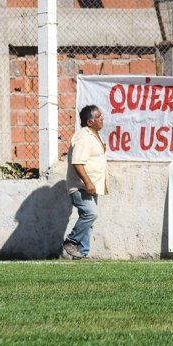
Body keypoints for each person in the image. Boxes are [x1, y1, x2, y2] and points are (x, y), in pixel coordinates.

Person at [62, 105, 108, 259]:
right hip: (81, 186)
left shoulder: (95, 135)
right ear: (90, 122)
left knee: (88, 219)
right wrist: (88, 183)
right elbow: (77, 162)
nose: (102, 118)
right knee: (90, 214)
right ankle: (71, 241)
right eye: (99, 116)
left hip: (91, 186)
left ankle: (81, 253)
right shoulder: (83, 136)